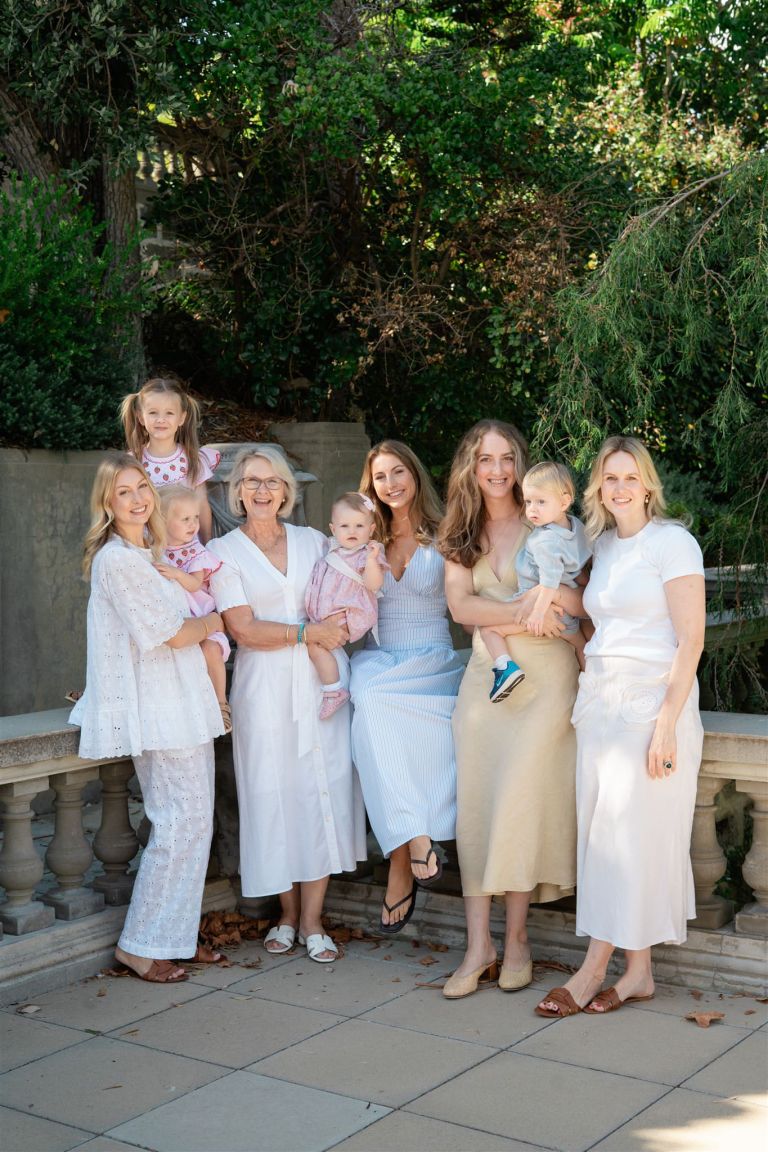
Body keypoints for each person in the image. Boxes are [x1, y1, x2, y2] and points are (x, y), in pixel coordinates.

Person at [535, 435, 705, 1019]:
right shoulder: (602, 546)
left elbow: (691, 640)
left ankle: (590, 971)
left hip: (652, 706)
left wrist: (667, 725)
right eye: (611, 477)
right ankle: (639, 974)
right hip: (601, 706)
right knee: (605, 838)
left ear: (648, 484)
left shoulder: (673, 543)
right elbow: (594, 617)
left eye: (631, 476)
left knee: (627, 835)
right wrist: (539, 605)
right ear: (599, 487)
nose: (621, 487)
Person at [438, 420, 584, 997]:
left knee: (520, 799)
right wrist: (527, 612)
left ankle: (517, 939)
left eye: (505, 458)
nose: (496, 470)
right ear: (470, 467)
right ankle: (479, 946)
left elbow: (581, 600)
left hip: (547, 677)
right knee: (477, 804)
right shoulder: (460, 529)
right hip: (487, 678)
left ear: (520, 464)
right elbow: (460, 608)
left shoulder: (547, 516)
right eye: (484, 459)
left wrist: (537, 607)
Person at [69, 453, 225, 983]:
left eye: (142, 488)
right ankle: (139, 946)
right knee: (177, 823)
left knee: (194, 823)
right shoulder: (117, 560)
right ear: (107, 503)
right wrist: (214, 622)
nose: (137, 500)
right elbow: (171, 634)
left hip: (182, 702)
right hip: (159, 708)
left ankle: (173, 936)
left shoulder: (149, 552)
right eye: (124, 492)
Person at [208, 446, 367, 963]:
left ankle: (314, 919)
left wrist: (337, 627)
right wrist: (307, 632)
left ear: (287, 491)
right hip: (263, 689)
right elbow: (243, 628)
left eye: (272, 481)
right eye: (251, 481)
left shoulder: (314, 541)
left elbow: (349, 591)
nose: (262, 490)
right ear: (237, 491)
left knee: (320, 791)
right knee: (271, 796)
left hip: (322, 683)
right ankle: (287, 915)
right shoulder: (224, 553)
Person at [350, 441, 465, 934]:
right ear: (371, 485)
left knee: (376, 715)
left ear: (414, 474)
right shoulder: (363, 535)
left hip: (432, 659)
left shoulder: (447, 531)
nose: (391, 483)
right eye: (380, 476)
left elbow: (471, 598)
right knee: (368, 698)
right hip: (380, 655)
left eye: (398, 472)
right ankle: (415, 839)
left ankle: (401, 858)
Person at [479, 461, 592, 700]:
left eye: (541, 502)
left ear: (564, 501)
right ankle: (594, 686)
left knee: (487, 628)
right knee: (580, 644)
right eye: (528, 501)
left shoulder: (544, 540)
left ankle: (505, 669)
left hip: (536, 605)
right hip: (568, 611)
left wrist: (538, 614)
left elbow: (549, 582)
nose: (532, 509)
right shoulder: (577, 528)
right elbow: (582, 567)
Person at [155, 484, 232, 733]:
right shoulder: (156, 549)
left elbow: (195, 583)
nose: (193, 525)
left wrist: (177, 573)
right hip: (176, 621)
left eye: (196, 518)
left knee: (211, 650)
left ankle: (221, 703)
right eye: (185, 519)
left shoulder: (196, 551)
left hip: (201, 616)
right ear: (163, 521)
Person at [305, 492, 388, 719]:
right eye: (345, 526)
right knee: (313, 643)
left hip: (351, 612)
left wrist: (371, 561)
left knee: (314, 645)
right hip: (330, 614)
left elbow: (374, 584)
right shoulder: (332, 550)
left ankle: (333, 691)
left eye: (359, 525)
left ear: (371, 529)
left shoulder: (366, 555)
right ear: (333, 529)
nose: (352, 531)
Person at [120, 375, 220, 542]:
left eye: (169, 413)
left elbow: (201, 504)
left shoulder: (193, 460)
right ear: (140, 417)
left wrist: (207, 543)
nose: (161, 419)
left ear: (182, 418)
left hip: (186, 547)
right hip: (147, 545)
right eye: (153, 412)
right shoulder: (132, 462)